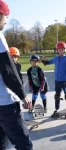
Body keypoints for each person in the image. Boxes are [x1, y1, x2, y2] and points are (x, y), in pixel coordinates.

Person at [0, 0, 33, 149]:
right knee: (23, 144)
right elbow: (8, 71)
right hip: (6, 103)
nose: (6, 21)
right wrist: (23, 95)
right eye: (6, 17)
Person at [41, 42, 66, 117]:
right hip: (57, 81)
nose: (61, 51)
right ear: (57, 50)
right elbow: (48, 62)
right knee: (57, 96)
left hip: (65, 81)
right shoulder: (56, 58)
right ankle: (56, 109)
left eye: (62, 50)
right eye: (59, 50)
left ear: (65, 50)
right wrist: (44, 61)